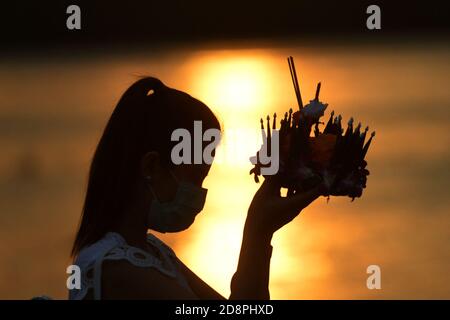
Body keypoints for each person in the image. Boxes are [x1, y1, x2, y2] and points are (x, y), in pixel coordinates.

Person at [69, 77, 323, 300]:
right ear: (151, 167)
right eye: (195, 177)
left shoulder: (152, 252)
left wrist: (261, 231)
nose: (199, 193)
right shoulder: (119, 269)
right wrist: (256, 230)